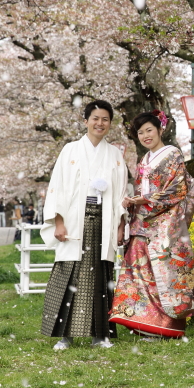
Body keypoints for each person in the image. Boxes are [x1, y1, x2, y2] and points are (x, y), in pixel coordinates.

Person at [109, 110, 194, 339]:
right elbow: (142, 188)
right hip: (143, 221)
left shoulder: (172, 154)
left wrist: (148, 199)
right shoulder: (144, 159)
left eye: (149, 130)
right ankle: (144, 322)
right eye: (141, 133)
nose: (145, 136)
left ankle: (167, 324)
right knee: (140, 270)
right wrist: (132, 202)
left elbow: (178, 188)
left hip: (165, 222)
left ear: (161, 130)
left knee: (164, 271)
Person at [39, 100, 128, 351]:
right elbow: (58, 187)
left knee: (101, 275)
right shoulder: (70, 150)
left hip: (103, 220)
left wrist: (121, 225)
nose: (100, 123)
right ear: (86, 120)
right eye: (95, 118)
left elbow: (121, 192)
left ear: (110, 123)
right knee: (70, 273)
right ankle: (66, 336)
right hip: (75, 219)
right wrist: (58, 221)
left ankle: (100, 335)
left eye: (105, 119)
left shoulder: (115, 154)